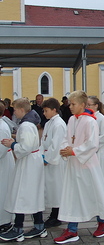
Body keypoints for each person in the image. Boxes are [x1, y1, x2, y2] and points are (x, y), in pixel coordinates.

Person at [54, 91, 104, 244]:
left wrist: (74, 151)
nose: (70, 107)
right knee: (73, 195)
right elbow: (66, 138)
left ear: (83, 105)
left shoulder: (90, 121)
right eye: (70, 104)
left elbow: (92, 143)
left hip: (87, 164)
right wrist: (65, 148)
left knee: (93, 194)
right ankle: (72, 230)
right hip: (73, 164)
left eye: (73, 104)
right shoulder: (72, 119)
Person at [0, 98, 46, 242]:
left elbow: (25, 148)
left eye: (14, 110)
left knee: (20, 194)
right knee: (32, 194)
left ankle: (18, 229)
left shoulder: (25, 125)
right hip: (32, 162)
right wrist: (15, 139)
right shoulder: (29, 124)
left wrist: (13, 144)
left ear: (21, 110)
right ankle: (39, 226)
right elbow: (29, 142)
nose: (14, 113)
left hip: (28, 163)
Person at [41, 98, 67, 228]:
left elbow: (56, 145)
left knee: (57, 188)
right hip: (48, 159)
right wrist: (42, 155)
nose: (44, 113)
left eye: (46, 111)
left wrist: (48, 158)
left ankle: (56, 215)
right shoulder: (49, 123)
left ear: (54, 110)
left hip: (56, 161)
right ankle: (54, 213)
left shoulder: (59, 124)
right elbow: (44, 142)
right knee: (51, 188)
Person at [0, 101, 15, 234]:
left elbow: (1, 149)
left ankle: (5, 222)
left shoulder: (2, 127)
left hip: (4, 163)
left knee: (3, 192)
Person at [87, 96, 104, 182]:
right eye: (86, 105)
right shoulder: (87, 118)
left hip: (98, 150)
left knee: (97, 176)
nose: (87, 107)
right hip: (87, 150)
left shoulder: (101, 119)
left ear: (96, 105)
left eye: (89, 105)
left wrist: (93, 143)